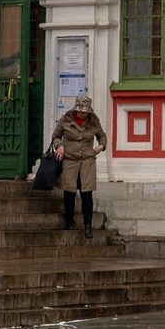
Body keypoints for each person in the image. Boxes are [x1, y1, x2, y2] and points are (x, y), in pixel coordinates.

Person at [46, 94, 107, 240]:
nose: (83, 114)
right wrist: (59, 146)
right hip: (70, 161)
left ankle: (87, 225)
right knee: (69, 192)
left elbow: (102, 136)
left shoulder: (94, 121)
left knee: (87, 194)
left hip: (87, 162)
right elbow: (55, 136)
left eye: (85, 111)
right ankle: (69, 221)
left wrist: (100, 147)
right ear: (76, 110)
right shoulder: (66, 119)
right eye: (81, 111)